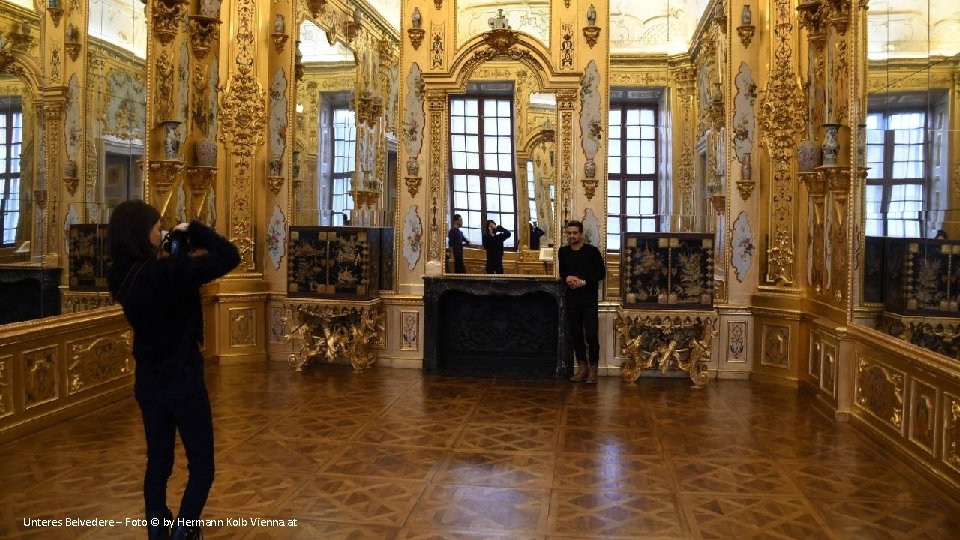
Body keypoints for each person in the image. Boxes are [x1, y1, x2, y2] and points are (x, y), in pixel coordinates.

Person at [107, 200, 240, 540]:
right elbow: (229, 255)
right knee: (201, 468)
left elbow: (166, 294)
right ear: (141, 232)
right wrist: (194, 231)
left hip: (149, 382)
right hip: (183, 379)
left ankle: (157, 531)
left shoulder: (119, 275)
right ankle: (183, 532)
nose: (161, 231)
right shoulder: (167, 274)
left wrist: (175, 254)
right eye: (157, 226)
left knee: (158, 463)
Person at [558, 220, 606, 384]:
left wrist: (583, 282)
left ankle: (593, 369)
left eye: (575, 233)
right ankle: (582, 367)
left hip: (589, 299)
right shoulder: (563, 252)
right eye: (569, 233)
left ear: (581, 234)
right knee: (575, 334)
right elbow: (562, 271)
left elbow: (601, 273)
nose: (572, 236)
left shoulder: (592, 252)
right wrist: (567, 277)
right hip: (572, 299)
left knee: (591, 335)